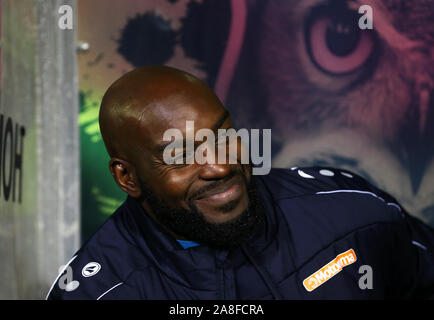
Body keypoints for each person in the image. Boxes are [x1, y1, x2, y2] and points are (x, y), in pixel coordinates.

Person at [47, 66, 434, 300]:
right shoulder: (99, 292)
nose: (219, 166)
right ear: (127, 177)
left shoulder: (351, 214)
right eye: (181, 155)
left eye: (224, 134)